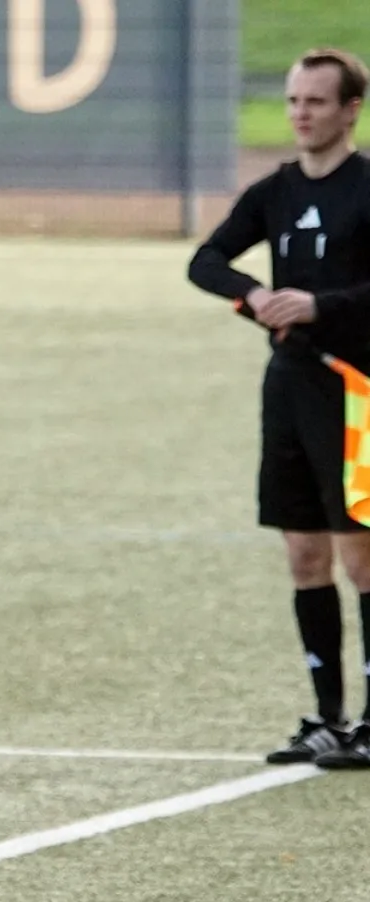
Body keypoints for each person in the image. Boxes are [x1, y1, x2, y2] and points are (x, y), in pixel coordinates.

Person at [188, 47, 370, 769]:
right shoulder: (276, 191)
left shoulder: (365, 187)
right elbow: (206, 261)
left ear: (351, 110)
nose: (300, 113)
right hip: (289, 387)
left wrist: (321, 306)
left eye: (316, 101)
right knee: (303, 553)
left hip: (356, 391)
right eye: (294, 100)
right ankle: (326, 718)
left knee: (361, 554)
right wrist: (254, 296)